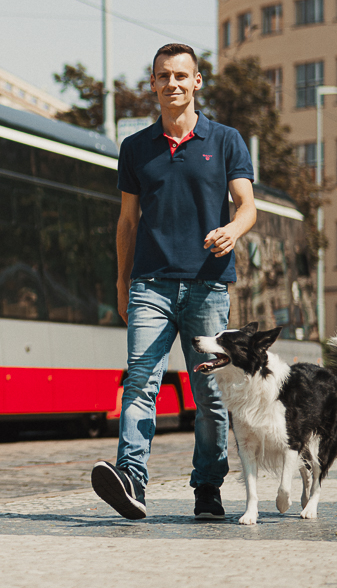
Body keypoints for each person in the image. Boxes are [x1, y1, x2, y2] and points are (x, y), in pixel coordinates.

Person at [91, 43, 256, 521]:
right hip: (150, 285)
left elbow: (248, 205)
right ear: (153, 85)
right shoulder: (136, 148)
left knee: (208, 398)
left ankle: (207, 487)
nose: (173, 84)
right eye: (164, 76)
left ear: (197, 81)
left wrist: (231, 230)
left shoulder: (225, 140)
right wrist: (122, 284)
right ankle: (131, 481)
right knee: (141, 382)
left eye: (181, 76)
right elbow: (126, 223)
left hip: (208, 287)